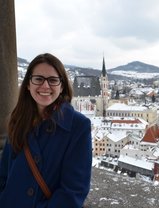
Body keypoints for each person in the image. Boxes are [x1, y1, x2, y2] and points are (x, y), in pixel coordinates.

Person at [0, 53, 92, 208]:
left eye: (53, 80)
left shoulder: (78, 126)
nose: (45, 86)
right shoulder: (17, 119)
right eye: (38, 79)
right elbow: (4, 175)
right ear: (28, 84)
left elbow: (73, 193)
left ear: (61, 86)